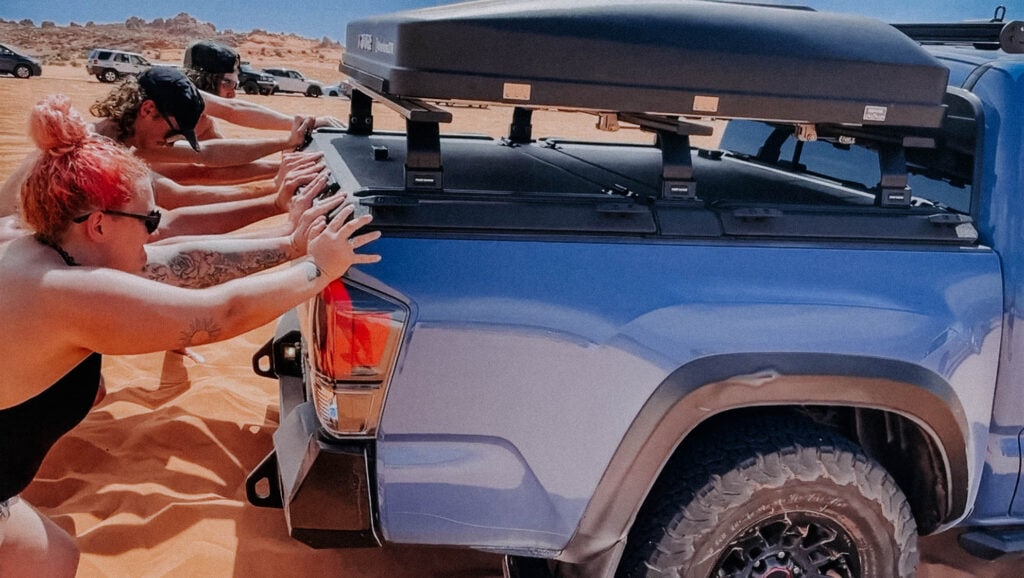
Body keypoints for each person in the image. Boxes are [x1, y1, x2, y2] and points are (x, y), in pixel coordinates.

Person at [0, 95, 380, 576]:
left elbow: (180, 262)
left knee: (52, 556)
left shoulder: (36, 246)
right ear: (98, 224)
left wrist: (290, 244)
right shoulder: (69, 294)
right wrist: (319, 268)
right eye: (149, 221)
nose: (157, 233)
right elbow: (218, 314)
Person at [182, 39, 343, 142]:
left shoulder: (204, 123)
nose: (232, 93)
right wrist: (301, 124)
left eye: (235, 84)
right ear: (203, 80)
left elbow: (223, 157)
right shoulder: (182, 98)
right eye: (226, 83)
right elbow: (234, 110)